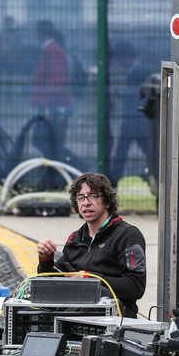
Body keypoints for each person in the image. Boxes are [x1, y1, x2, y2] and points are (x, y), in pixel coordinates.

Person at [36, 173, 146, 318]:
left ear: (107, 202)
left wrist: (91, 279)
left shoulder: (128, 235)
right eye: (81, 198)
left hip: (115, 315)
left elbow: (136, 287)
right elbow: (52, 283)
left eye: (93, 196)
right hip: (74, 309)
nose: (86, 202)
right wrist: (46, 259)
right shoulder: (75, 238)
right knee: (26, 303)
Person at [108, 41, 150, 186]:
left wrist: (119, 92)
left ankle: (113, 181)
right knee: (145, 151)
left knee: (123, 152)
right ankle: (113, 180)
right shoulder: (136, 70)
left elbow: (138, 93)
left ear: (126, 57)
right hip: (135, 120)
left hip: (135, 120)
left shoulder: (139, 71)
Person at [30, 19, 70, 122]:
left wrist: (48, 105)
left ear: (40, 33)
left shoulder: (52, 50)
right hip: (47, 102)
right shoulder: (50, 49)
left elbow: (56, 80)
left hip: (49, 104)